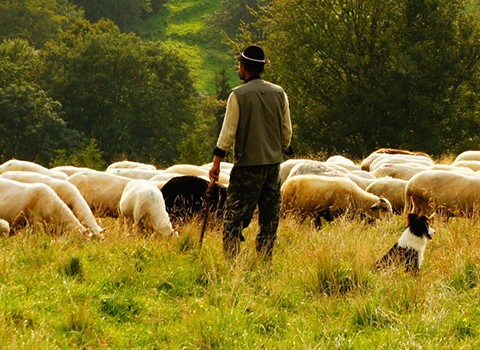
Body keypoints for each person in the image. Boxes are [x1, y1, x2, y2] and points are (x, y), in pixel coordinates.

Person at [209, 44, 293, 259]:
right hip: (273, 166)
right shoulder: (279, 93)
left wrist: (217, 162)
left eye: (239, 64)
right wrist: (281, 148)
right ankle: (265, 259)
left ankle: (232, 261)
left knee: (234, 217)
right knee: (269, 217)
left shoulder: (238, 95)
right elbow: (286, 130)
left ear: (244, 67)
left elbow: (228, 133)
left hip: (247, 167)